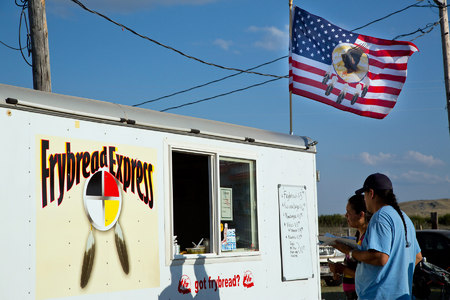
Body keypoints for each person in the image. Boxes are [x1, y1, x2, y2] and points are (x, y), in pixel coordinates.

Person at [333, 173, 422, 300]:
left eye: (365, 195)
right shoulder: (404, 218)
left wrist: (350, 252)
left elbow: (380, 258)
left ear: (371, 193)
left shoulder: (380, 217)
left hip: (378, 295)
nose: (364, 200)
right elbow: (417, 256)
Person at [328, 194, 369, 300]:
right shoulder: (357, 237)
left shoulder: (368, 239)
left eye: (349, 213)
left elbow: (367, 275)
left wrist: (342, 269)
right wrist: (338, 270)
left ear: (361, 215)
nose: (346, 216)